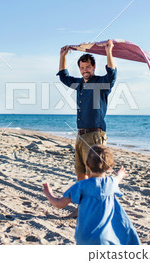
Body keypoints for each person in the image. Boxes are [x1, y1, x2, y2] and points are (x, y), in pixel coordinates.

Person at [57, 40, 117, 217]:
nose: (85, 70)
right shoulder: (80, 84)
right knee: (80, 174)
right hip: (81, 136)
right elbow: (63, 76)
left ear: (94, 66)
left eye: (88, 67)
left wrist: (109, 52)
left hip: (96, 135)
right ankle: (81, 208)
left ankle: (98, 210)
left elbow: (112, 74)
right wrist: (62, 56)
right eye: (82, 68)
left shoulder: (102, 83)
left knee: (95, 176)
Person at [42, 144, 140, 245]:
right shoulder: (111, 182)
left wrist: (48, 193)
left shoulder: (81, 185)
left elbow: (59, 204)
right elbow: (118, 178)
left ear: (87, 164)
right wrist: (121, 173)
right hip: (105, 239)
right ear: (109, 167)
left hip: (84, 238)